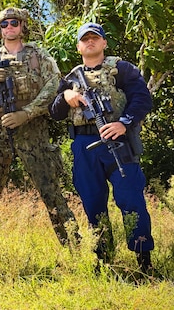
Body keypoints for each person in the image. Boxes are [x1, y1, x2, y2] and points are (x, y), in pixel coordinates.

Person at [0, 7, 78, 256]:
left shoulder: (38, 54)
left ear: (22, 25)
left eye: (14, 23)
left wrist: (27, 113)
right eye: (4, 24)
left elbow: (54, 85)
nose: (9, 27)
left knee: (49, 189)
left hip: (32, 129)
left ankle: (76, 248)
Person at [48, 22, 155, 274]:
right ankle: (104, 259)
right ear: (78, 46)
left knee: (131, 200)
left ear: (104, 43)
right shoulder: (71, 79)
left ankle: (144, 262)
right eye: (85, 39)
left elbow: (142, 99)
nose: (90, 42)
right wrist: (65, 97)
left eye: (95, 37)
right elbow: (54, 112)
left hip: (119, 142)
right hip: (84, 147)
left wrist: (123, 123)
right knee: (93, 203)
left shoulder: (122, 69)